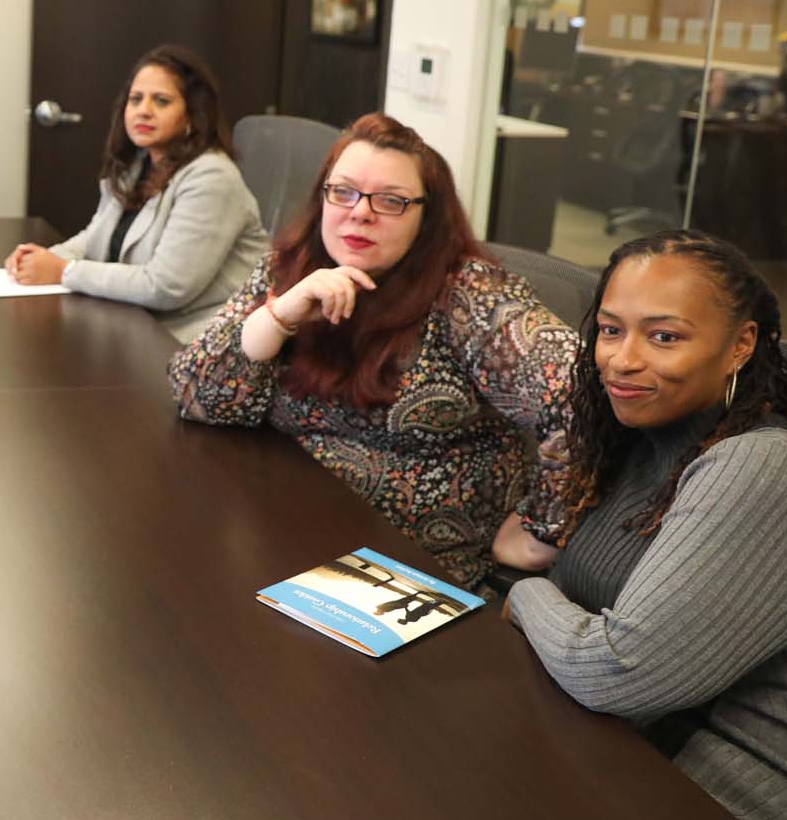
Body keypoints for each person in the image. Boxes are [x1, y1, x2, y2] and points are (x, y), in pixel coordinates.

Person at [498, 230, 787, 820]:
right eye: (611, 330)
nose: (622, 359)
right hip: (646, 763)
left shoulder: (762, 468)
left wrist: (527, 597)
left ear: (741, 344)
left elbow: (617, 673)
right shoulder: (639, 440)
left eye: (664, 336)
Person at [168, 112, 577, 589]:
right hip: (277, 526)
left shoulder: (468, 294)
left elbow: (582, 396)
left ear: (427, 219)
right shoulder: (293, 267)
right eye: (343, 192)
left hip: (401, 566)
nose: (360, 212)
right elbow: (196, 397)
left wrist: (542, 531)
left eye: (391, 201)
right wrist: (280, 316)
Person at [4, 45, 268, 341]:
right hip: (137, 325)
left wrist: (63, 271)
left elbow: (166, 286)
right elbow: (94, 237)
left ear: (192, 115)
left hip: (199, 344)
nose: (144, 110)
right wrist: (39, 260)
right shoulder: (139, 163)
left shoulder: (212, 177)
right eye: (136, 99)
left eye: (162, 101)